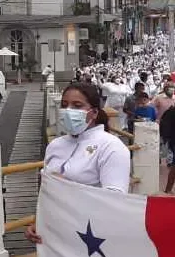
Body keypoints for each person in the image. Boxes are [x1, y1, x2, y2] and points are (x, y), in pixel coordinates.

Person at [25, 82, 131, 244]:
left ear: (94, 112)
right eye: (64, 105)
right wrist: (37, 220)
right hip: (53, 238)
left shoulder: (111, 147)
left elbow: (113, 200)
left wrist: (68, 190)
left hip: (89, 239)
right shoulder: (55, 145)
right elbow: (45, 191)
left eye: (77, 105)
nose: (68, 111)